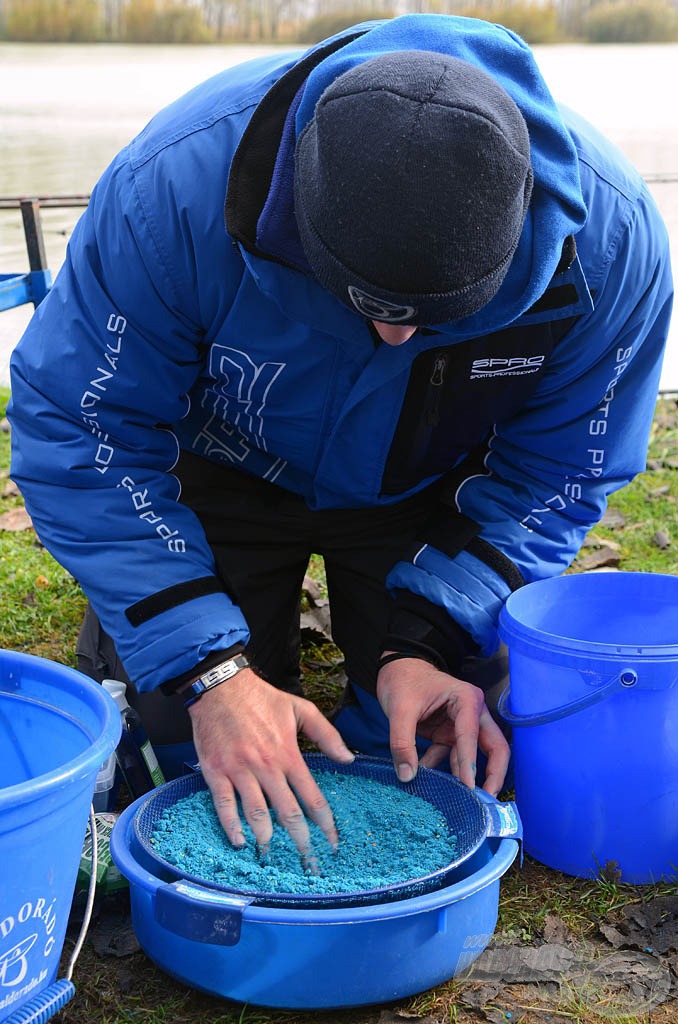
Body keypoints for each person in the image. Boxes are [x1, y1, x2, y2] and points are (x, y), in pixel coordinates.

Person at [8, 15, 672, 863]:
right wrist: (211, 675)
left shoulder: (613, 248)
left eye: (437, 318)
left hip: (428, 491)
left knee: (428, 740)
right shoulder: (173, 189)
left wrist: (431, 638)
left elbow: (557, 476)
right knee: (182, 741)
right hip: (213, 466)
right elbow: (80, 423)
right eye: (366, 303)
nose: (396, 342)